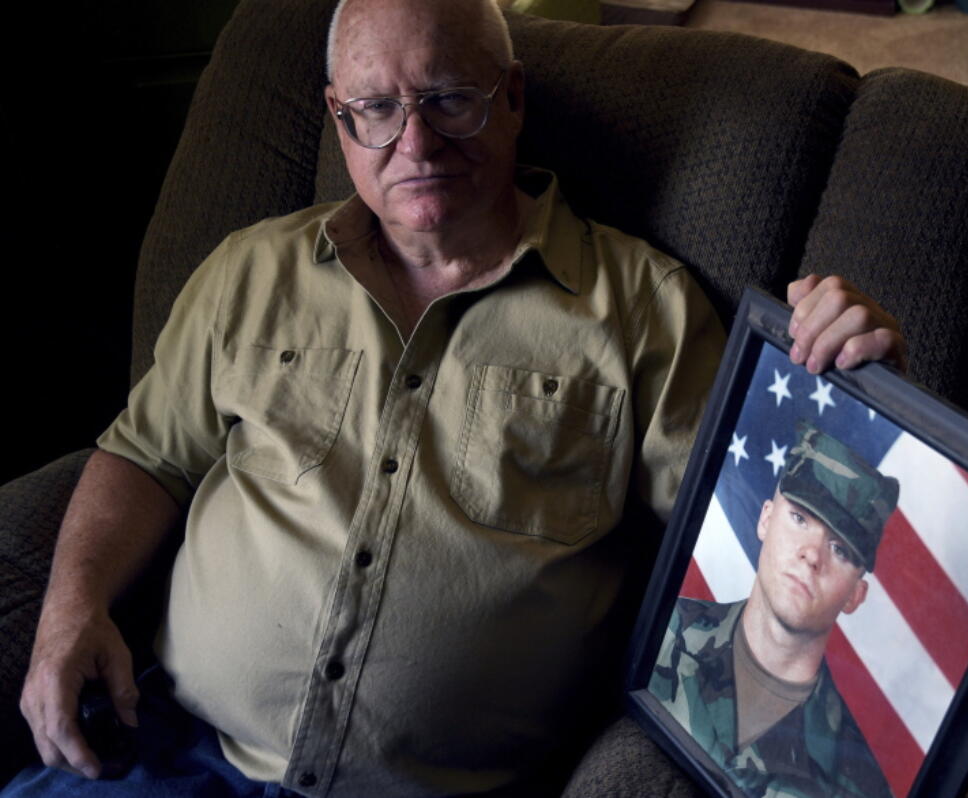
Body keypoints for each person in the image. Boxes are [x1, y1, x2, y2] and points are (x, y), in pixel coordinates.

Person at [11, 0, 906, 795]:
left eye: (449, 99)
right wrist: (70, 609)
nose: (417, 143)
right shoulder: (250, 270)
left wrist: (852, 376)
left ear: (511, 98)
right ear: (338, 117)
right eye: (376, 109)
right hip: (180, 753)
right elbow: (148, 454)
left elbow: (756, 524)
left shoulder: (642, 310)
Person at [650, 422, 899, 798]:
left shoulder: (857, 780)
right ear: (765, 518)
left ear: (856, 595)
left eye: (840, 549)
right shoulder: (661, 630)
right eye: (799, 518)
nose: (812, 554)